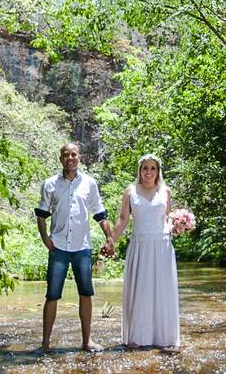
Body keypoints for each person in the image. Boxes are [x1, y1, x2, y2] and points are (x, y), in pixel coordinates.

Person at [35, 142, 114, 352]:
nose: (70, 158)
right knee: (52, 294)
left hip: (82, 248)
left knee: (86, 293)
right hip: (58, 247)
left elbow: (99, 213)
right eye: (66, 155)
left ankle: (87, 341)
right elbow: (41, 215)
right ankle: (45, 343)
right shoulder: (50, 184)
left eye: (74, 154)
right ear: (61, 158)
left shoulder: (89, 183)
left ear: (80, 157)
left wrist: (109, 238)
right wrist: (45, 239)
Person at [109, 153, 180, 350]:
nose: (149, 172)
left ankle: (163, 338)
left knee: (162, 290)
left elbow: (169, 219)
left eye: (153, 168)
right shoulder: (130, 191)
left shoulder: (165, 191)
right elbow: (123, 219)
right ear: (139, 171)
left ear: (158, 171)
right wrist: (111, 240)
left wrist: (181, 224)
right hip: (140, 246)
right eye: (145, 168)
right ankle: (138, 337)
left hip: (162, 246)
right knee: (140, 290)